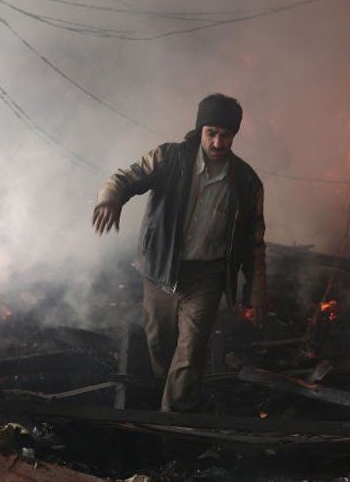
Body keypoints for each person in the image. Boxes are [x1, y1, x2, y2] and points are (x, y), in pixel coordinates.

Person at [92, 93, 267, 412]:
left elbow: (255, 242)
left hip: (207, 278)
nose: (217, 142)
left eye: (225, 135)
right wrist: (110, 199)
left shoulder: (246, 181)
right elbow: (126, 178)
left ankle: (175, 420)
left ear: (234, 136)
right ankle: (165, 389)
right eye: (211, 133)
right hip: (161, 269)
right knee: (159, 342)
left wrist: (256, 294)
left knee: (190, 352)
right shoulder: (169, 158)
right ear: (200, 130)